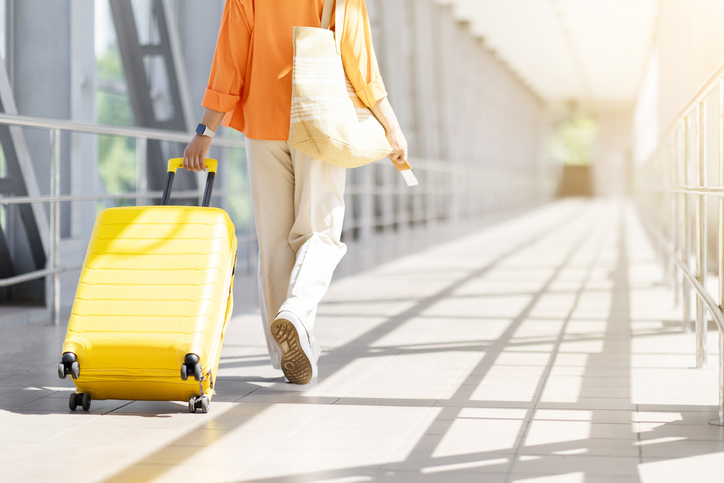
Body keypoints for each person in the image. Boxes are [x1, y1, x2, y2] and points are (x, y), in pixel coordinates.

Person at [183, 0, 407, 384]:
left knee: (274, 243)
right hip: (317, 116)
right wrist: (389, 122)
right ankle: (297, 313)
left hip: (263, 122)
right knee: (320, 231)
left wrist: (206, 131)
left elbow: (230, 58)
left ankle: (282, 353)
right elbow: (356, 52)